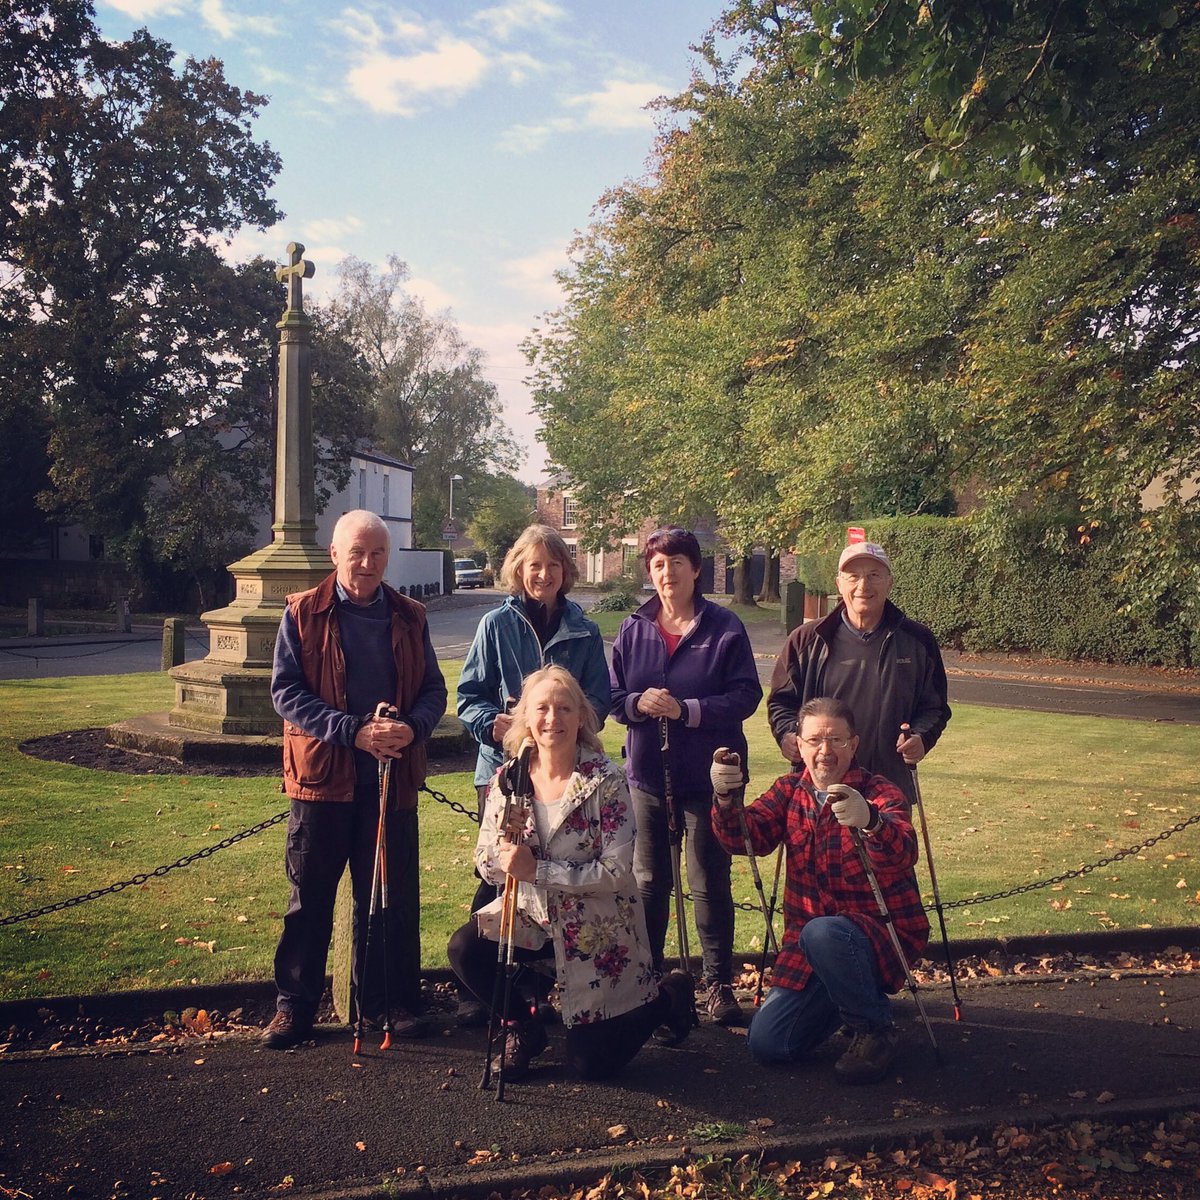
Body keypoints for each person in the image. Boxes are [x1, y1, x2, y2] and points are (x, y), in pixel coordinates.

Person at [447, 665, 694, 1080]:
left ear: (581, 717)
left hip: (598, 929)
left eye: (564, 708)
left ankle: (666, 997)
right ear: (525, 717)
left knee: (590, 1067)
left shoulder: (606, 781)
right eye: (541, 708)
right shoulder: (507, 779)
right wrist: (504, 858)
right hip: (531, 916)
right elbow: (485, 860)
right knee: (465, 948)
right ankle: (522, 1029)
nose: (552, 718)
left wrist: (538, 870)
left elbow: (616, 871)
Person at [261, 510, 448, 1050]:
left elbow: (434, 690)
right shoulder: (302, 612)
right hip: (323, 780)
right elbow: (286, 692)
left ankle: (385, 1005)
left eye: (377, 553)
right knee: (309, 901)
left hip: (391, 782)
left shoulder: (411, 615)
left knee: (389, 901)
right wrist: (354, 732)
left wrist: (411, 729)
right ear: (335, 554)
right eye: (357, 552)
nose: (367, 563)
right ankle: (294, 1009)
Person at [710, 696, 929, 1084]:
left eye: (836, 740)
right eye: (814, 740)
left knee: (824, 931)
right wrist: (726, 799)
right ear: (799, 744)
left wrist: (872, 821)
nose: (825, 751)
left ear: (854, 745)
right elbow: (747, 838)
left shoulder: (881, 792)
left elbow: (904, 852)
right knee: (768, 1045)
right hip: (809, 947)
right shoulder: (789, 790)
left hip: (879, 935)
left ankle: (875, 1029)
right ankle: (847, 1000)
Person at [454, 523, 610, 1025]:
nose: (543, 574)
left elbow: (599, 699)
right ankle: (485, 986)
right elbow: (469, 697)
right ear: (518, 569)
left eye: (553, 565)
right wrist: (495, 725)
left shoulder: (584, 630)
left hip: (567, 775)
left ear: (566, 571)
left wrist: (562, 727)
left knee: (556, 869)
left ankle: (539, 986)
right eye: (534, 565)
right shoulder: (495, 625)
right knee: (500, 873)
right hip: (504, 772)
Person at [609, 527, 762, 1026]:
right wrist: (638, 703)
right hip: (648, 779)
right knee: (649, 882)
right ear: (649, 573)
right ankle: (649, 984)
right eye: (658, 564)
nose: (667, 572)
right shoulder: (633, 628)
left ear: (696, 569)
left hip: (709, 780)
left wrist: (687, 710)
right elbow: (612, 697)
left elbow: (746, 696)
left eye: (677, 562)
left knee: (708, 881)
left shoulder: (725, 627)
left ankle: (717, 983)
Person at [768, 542, 951, 803]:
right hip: (819, 787)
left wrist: (922, 737)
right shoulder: (805, 640)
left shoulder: (918, 641)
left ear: (889, 582)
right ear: (839, 584)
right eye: (853, 576)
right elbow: (781, 702)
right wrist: (787, 733)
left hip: (889, 788)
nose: (863, 585)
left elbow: (935, 707)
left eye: (874, 575)